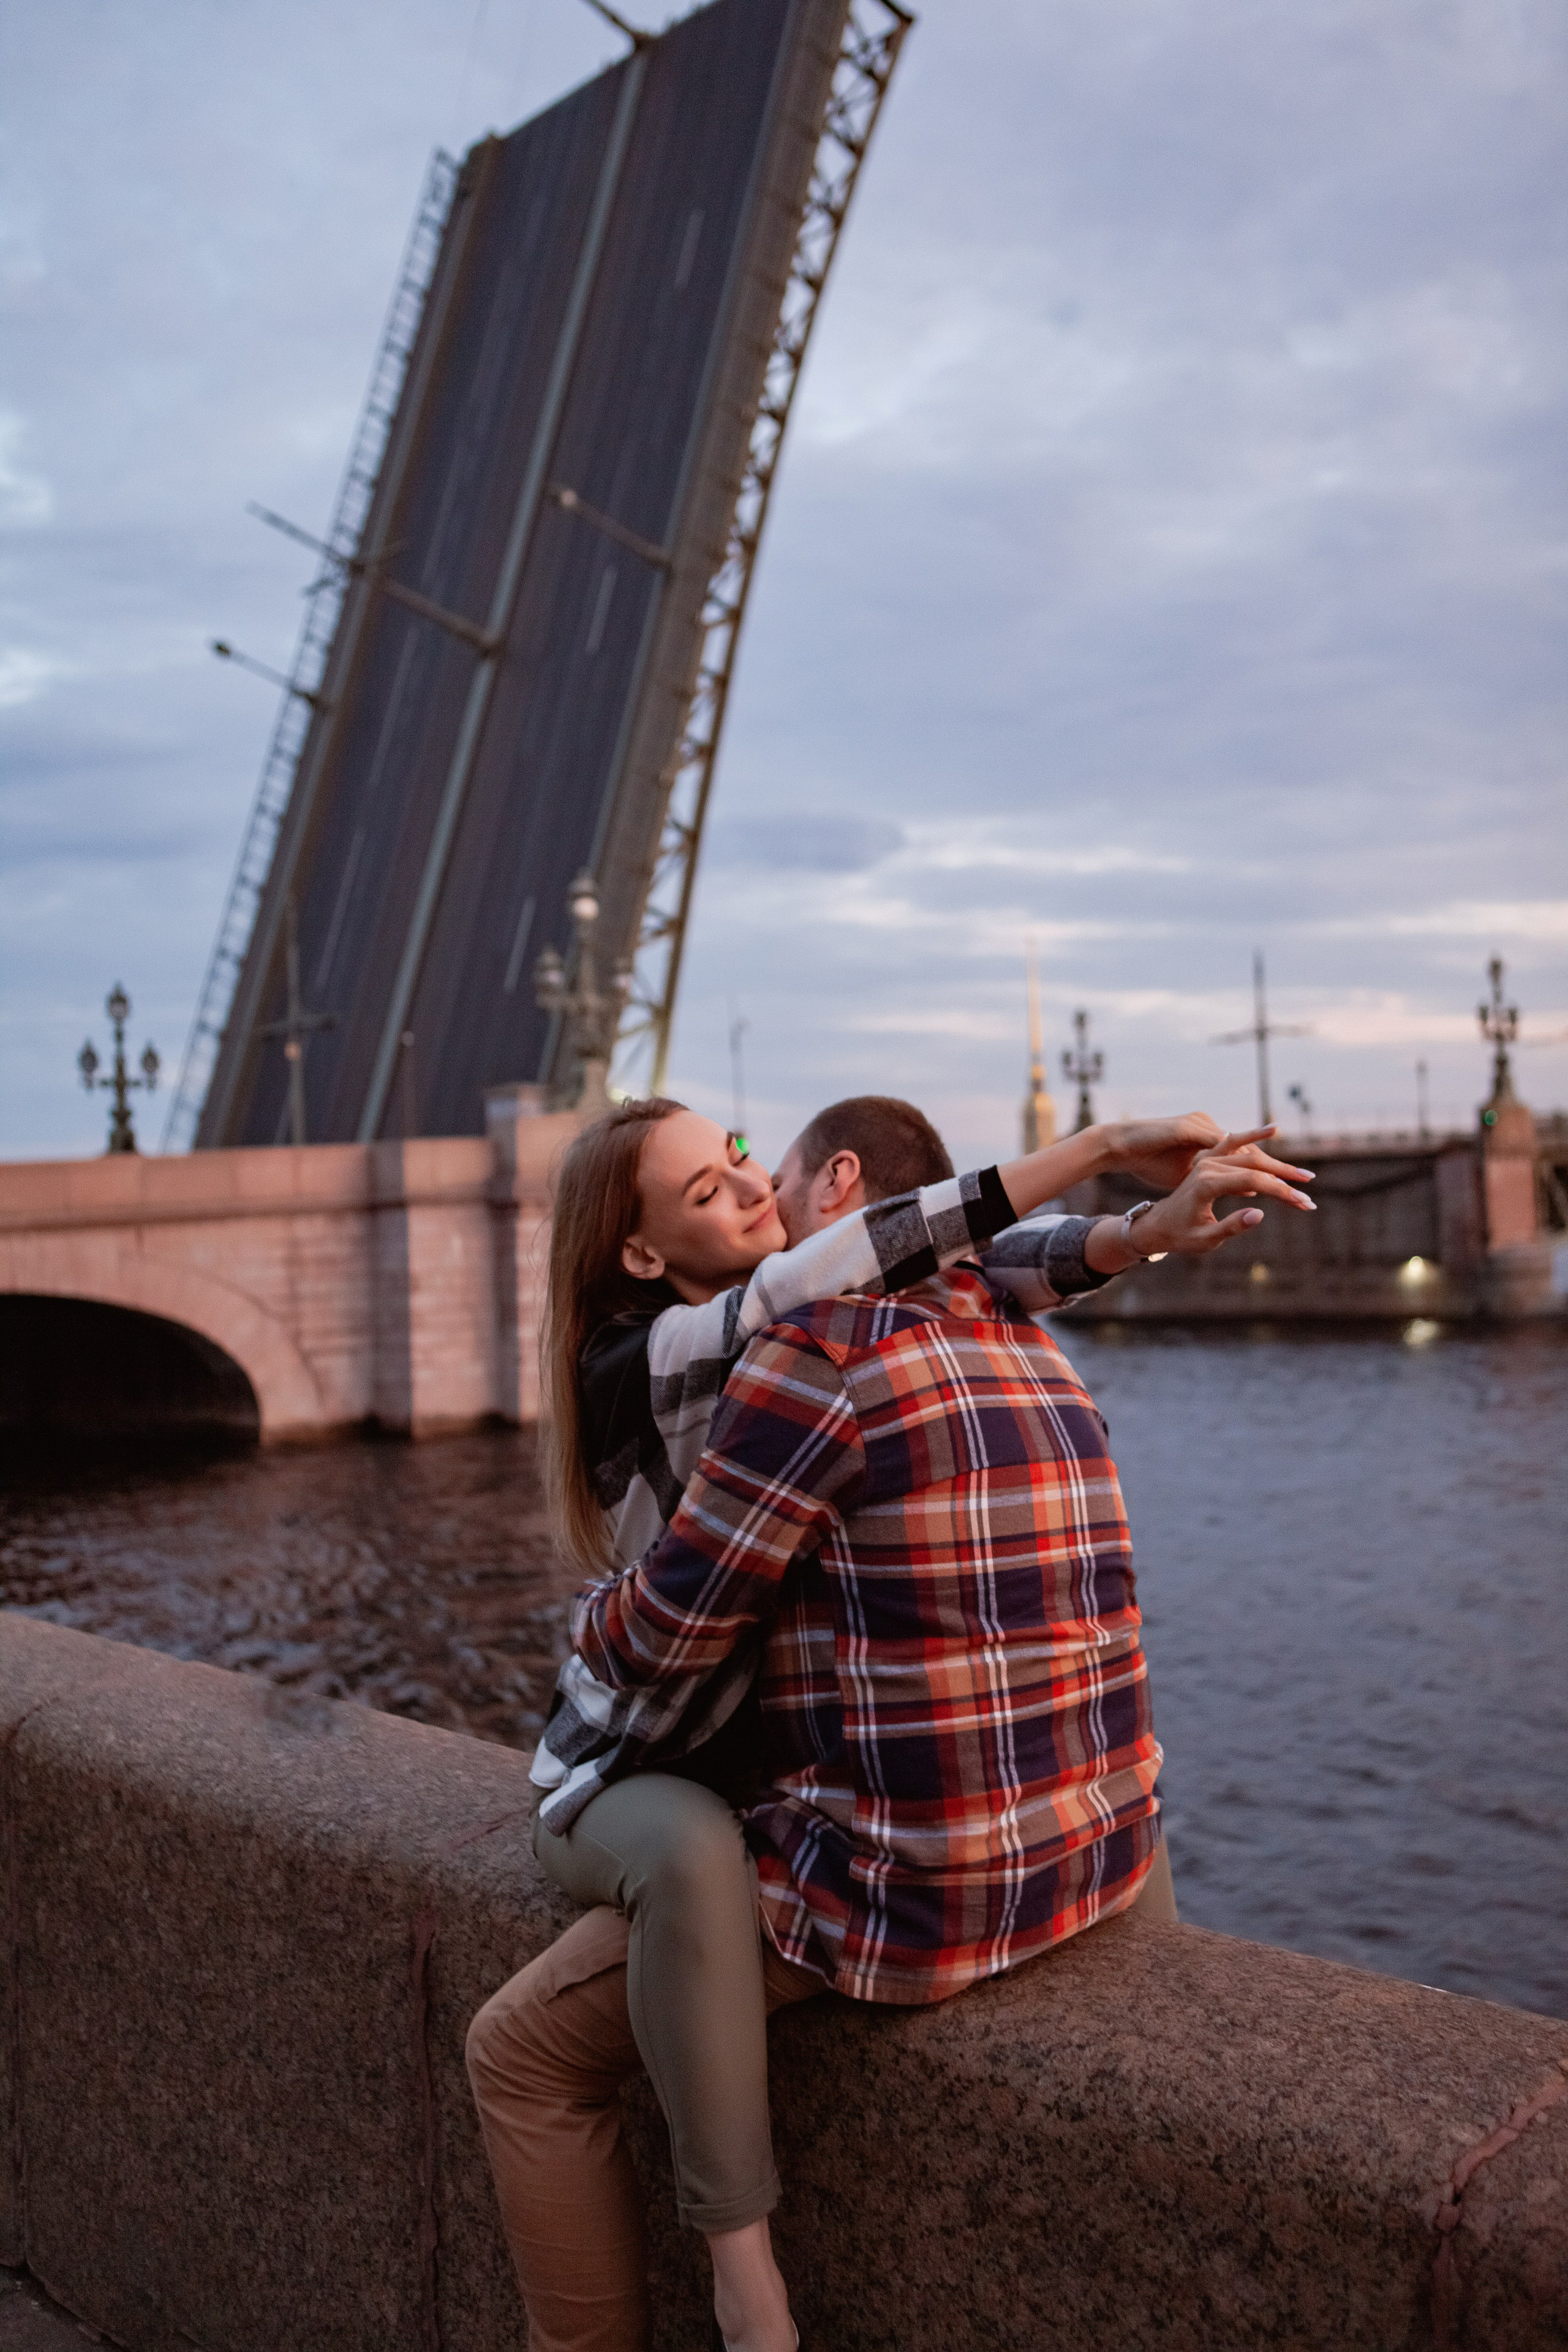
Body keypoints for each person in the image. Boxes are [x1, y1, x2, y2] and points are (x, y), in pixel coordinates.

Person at [467, 1097, 1314, 2352]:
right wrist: (1105, 1173)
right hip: (671, 1756)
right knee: (673, 1854)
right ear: (638, 1254)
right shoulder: (664, 1355)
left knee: (521, 2051)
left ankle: (711, 2294)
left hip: (864, 1863)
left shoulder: (822, 1350)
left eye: (746, 1163)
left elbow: (956, 1256)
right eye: (707, 1191)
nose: (749, 1193)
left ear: (825, 1178)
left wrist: (1132, 1231)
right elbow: (863, 1265)